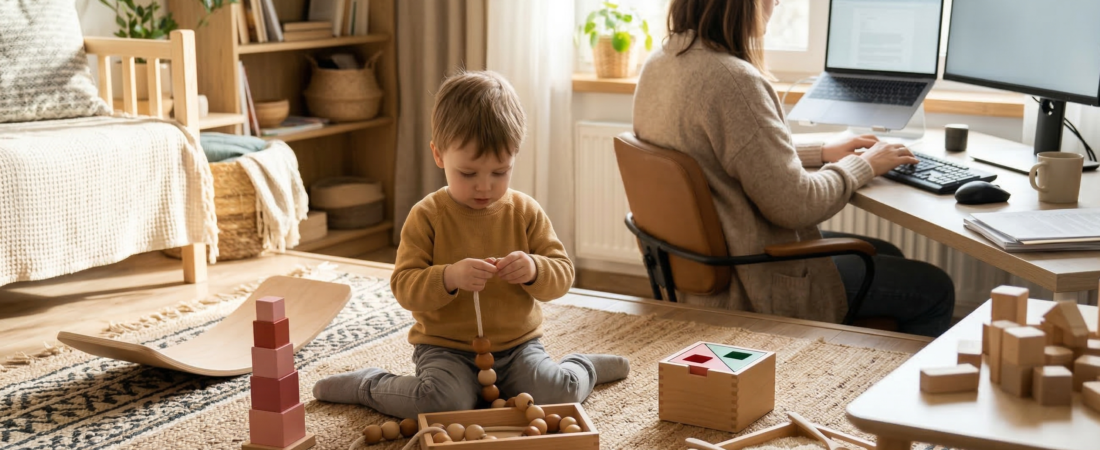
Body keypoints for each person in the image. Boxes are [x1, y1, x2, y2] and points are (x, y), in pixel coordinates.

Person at [313, 70, 630, 417]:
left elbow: (563, 275)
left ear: (514, 156)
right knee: (441, 404)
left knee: (556, 394)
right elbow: (404, 287)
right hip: (445, 349)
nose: (484, 186)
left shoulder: (525, 212)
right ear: (438, 155)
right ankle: (368, 385)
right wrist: (448, 277)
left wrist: (534, 269)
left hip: (518, 346)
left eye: (500, 172)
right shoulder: (427, 216)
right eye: (468, 173)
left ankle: (583, 367)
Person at [632, 0, 955, 337]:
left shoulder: (662, 62)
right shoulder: (732, 80)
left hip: (704, 262)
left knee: (887, 254)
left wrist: (822, 152)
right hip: (750, 279)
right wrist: (863, 165)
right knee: (935, 288)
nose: (777, 2)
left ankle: (857, 359)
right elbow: (795, 206)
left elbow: (717, 156)